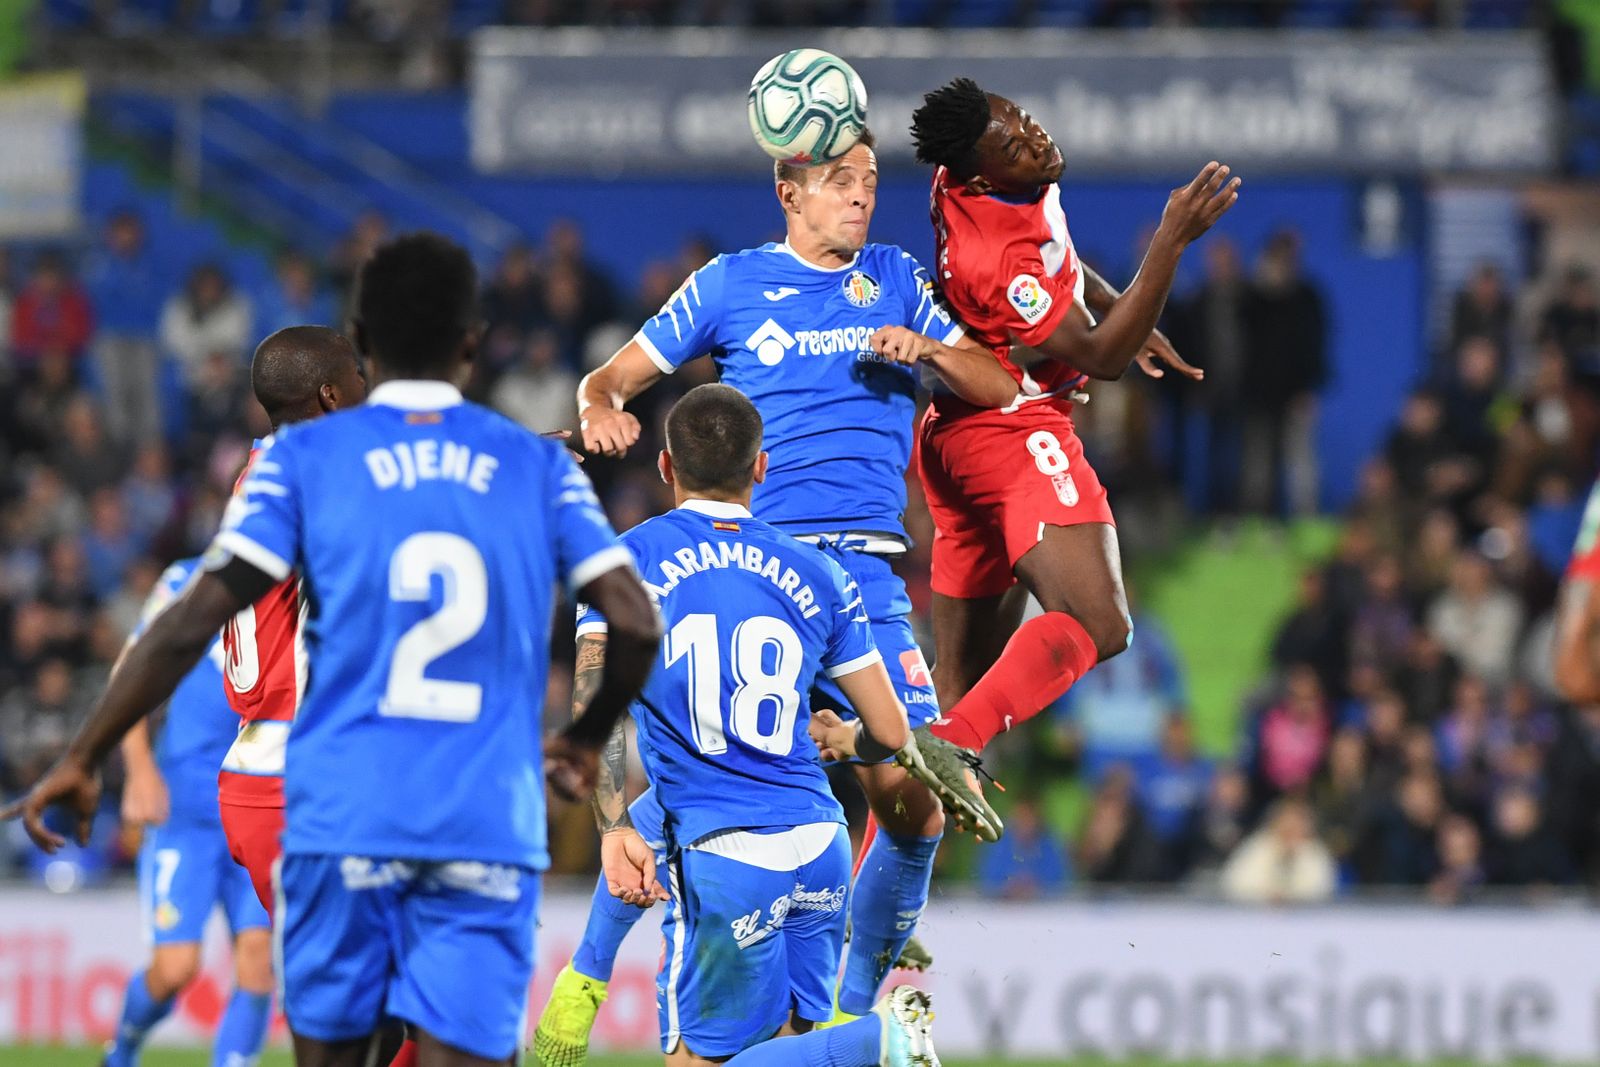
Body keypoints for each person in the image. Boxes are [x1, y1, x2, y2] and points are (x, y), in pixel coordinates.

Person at [3, 232, 662, 1067]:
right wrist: (584, 734)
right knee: (437, 1029)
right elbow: (620, 609)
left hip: (281, 775)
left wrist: (86, 750)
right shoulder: (336, 464)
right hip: (374, 772)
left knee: (363, 1029)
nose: (364, 383)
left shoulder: (284, 469)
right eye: (352, 375)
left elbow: (184, 621)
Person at [574, 126, 1010, 1037]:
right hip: (753, 571)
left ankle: (853, 1014)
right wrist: (601, 408)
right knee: (699, 786)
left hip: (866, 580)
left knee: (915, 807)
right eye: (842, 180)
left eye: (871, 180)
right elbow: (607, 381)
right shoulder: (729, 284)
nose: (862, 195)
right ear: (790, 192)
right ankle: (588, 988)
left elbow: (997, 383)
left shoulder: (894, 278)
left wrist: (929, 351)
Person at [571, 383, 939, 1066]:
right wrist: (845, 739)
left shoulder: (624, 562)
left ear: (665, 466)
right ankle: (863, 1044)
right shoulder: (820, 571)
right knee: (788, 1052)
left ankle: (877, 1041)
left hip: (724, 852)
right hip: (820, 841)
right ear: (761, 467)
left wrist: (614, 825)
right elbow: (892, 733)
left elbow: (593, 705)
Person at [902, 78, 1235, 764]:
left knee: (959, 683)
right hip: (1012, 427)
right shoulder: (997, 261)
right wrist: (1170, 241)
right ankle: (954, 747)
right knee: (1100, 621)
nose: (1034, 140)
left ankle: (904, 805)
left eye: (1023, 120)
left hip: (958, 430)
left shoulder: (969, 176)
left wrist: (1118, 304)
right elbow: (1102, 357)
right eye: (1013, 148)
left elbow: (1057, 259)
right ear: (981, 176)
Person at [214, 325, 369, 915]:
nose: (368, 386)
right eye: (357, 375)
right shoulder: (310, 476)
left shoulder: (263, 470)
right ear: (331, 395)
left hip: (264, 767)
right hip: (303, 774)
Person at [107, 557, 274, 1067]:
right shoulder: (190, 580)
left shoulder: (300, 586)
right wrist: (139, 768)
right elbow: (132, 668)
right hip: (186, 810)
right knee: (175, 968)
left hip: (262, 801)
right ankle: (122, 1050)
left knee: (259, 958)